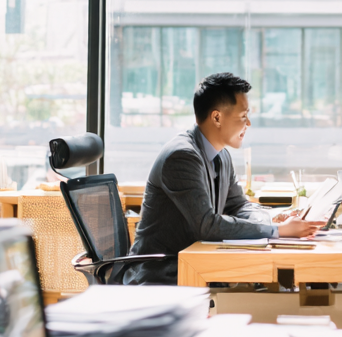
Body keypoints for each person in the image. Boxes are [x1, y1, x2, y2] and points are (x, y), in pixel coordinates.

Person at [120, 72, 324, 285]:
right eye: (243, 116)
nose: (249, 124)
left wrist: (274, 217)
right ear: (217, 117)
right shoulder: (182, 156)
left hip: (195, 266)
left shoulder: (221, 155)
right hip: (162, 274)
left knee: (266, 284)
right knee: (265, 286)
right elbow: (207, 226)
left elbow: (237, 205)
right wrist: (279, 231)